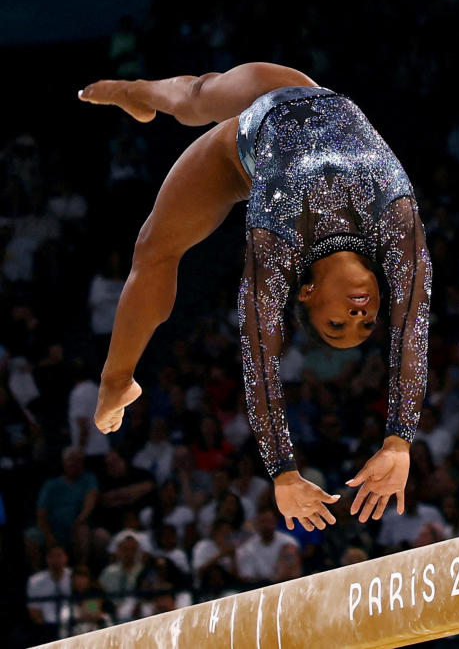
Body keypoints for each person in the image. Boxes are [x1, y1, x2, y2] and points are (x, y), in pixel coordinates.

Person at [80, 62, 433, 531]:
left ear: (305, 294)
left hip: (238, 153)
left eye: (338, 325)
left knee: (153, 249)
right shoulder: (396, 223)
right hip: (291, 96)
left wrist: (283, 471)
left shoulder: (279, 242)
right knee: (194, 99)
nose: (357, 315)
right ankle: (137, 92)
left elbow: (258, 349)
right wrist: (398, 441)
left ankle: (114, 379)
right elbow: (413, 327)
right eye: (365, 324)